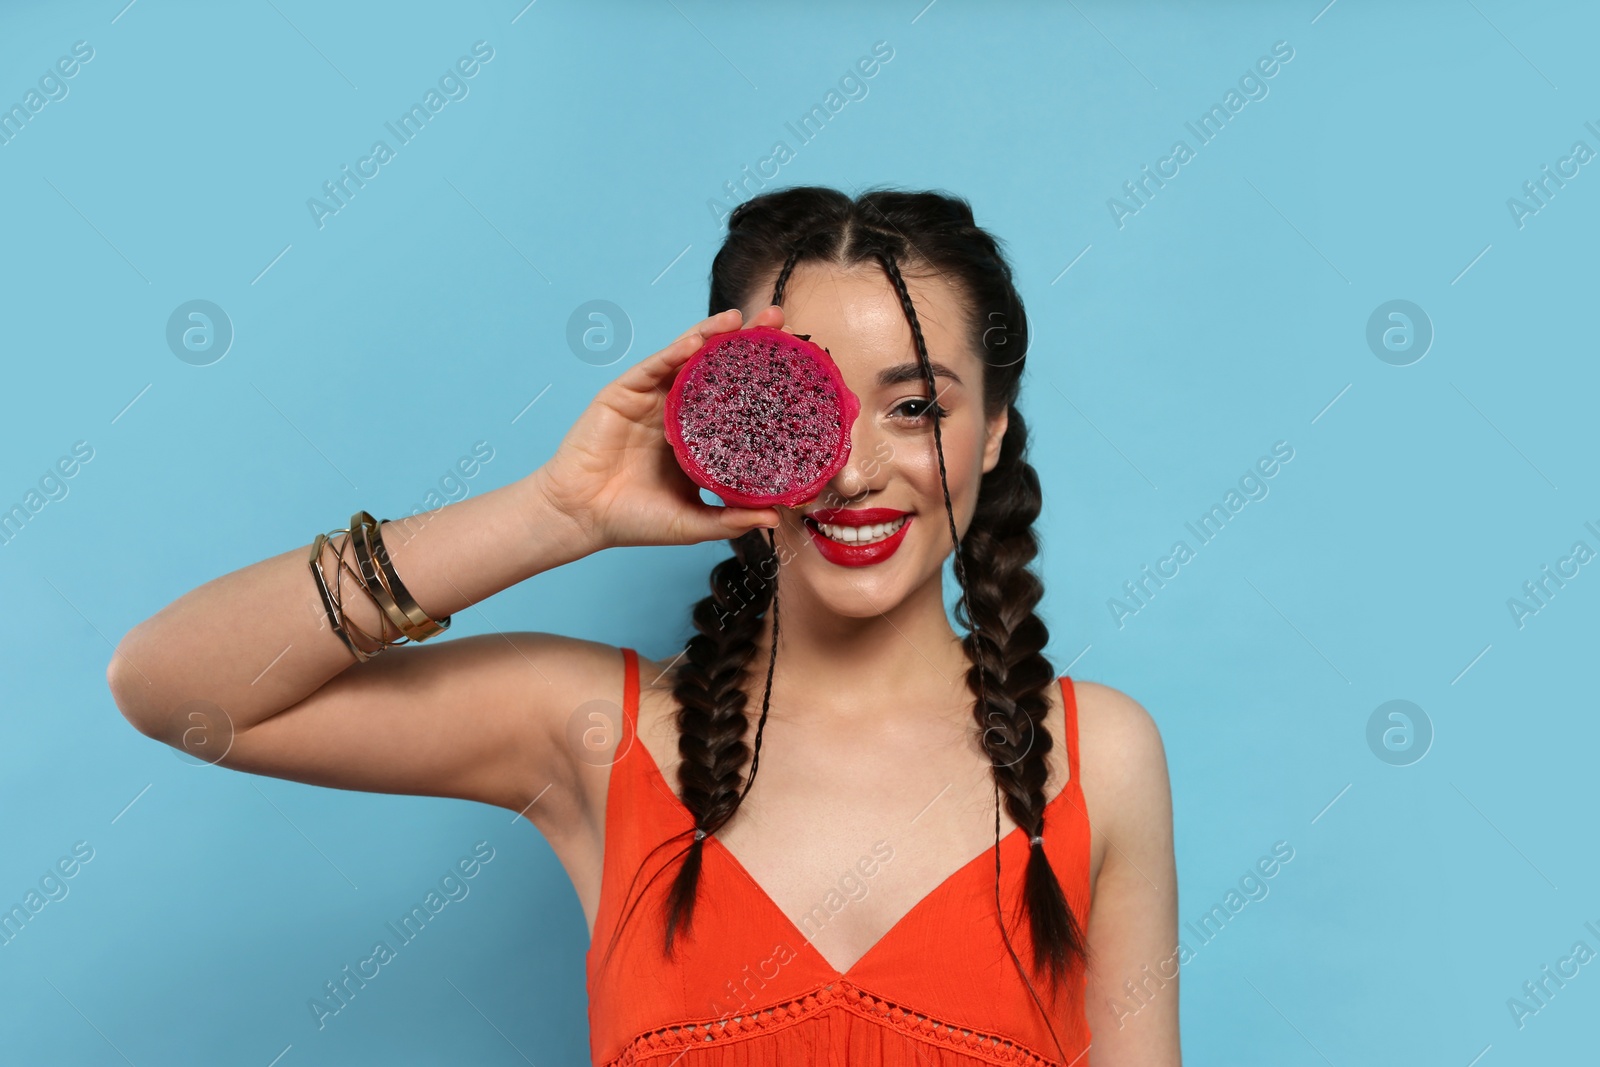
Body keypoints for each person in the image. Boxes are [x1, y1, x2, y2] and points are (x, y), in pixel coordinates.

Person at [108, 186, 1180, 1065]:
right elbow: (173, 686)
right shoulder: (596, 731)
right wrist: (551, 513)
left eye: (914, 406)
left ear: (991, 430)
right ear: (714, 416)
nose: (853, 469)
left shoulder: (1098, 757)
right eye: (795, 406)